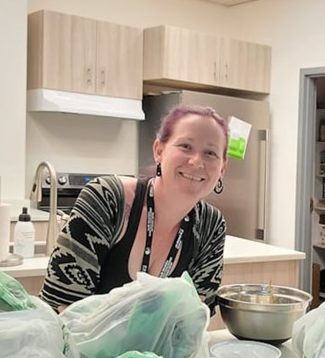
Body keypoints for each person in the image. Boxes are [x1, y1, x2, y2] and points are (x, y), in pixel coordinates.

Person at [39, 104, 229, 313]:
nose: (196, 161)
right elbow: (62, 307)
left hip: (158, 348)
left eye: (210, 153)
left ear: (222, 168)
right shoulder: (108, 199)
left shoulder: (211, 225)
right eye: (185, 146)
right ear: (159, 151)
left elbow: (195, 316)